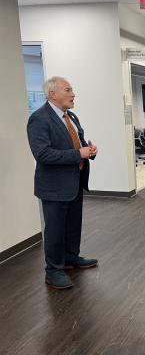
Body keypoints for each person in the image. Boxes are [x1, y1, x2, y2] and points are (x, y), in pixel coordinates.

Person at [27, 76, 98, 290]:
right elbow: (43, 154)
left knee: (73, 224)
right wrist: (79, 153)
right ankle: (53, 270)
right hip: (54, 186)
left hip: (75, 181)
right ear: (53, 94)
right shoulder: (39, 119)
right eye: (68, 90)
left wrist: (89, 151)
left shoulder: (71, 116)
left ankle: (70, 258)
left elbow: (79, 144)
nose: (73, 94)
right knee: (55, 229)